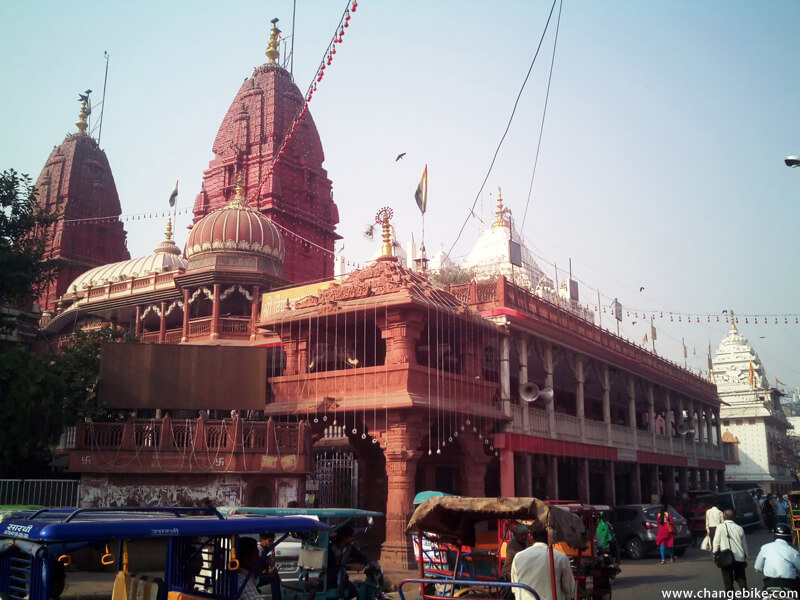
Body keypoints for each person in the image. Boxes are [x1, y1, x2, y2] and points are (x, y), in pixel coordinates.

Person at [511, 521, 575, 600]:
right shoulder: (560, 557)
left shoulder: (518, 557)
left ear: (531, 537)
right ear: (550, 536)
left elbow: (514, 588)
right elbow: (570, 590)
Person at [754, 523, 800, 592]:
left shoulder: (765, 547)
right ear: (789, 537)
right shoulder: (793, 552)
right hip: (789, 584)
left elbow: (757, 567)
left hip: (770, 583)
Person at [327, 525, 368, 600]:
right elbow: (332, 565)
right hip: (329, 578)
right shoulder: (331, 548)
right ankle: (341, 597)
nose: (352, 539)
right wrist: (351, 567)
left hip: (342, 580)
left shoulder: (349, 548)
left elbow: (360, 557)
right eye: (350, 537)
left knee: (355, 591)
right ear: (344, 538)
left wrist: (365, 563)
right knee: (342, 570)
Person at [712, 509, 749, 592]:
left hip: (726, 558)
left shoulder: (720, 527)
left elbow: (716, 543)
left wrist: (714, 555)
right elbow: (744, 545)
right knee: (742, 581)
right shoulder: (740, 528)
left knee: (728, 583)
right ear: (734, 517)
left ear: (724, 517)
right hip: (739, 557)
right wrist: (746, 557)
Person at [257, 532, 282, 600]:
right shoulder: (259, 549)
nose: (271, 543)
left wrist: (273, 553)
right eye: (270, 541)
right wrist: (268, 571)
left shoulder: (266, 549)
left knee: (275, 575)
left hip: (259, 574)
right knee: (274, 578)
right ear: (262, 540)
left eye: (272, 541)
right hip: (255, 577)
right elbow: (257, 567)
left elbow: (271, 565)